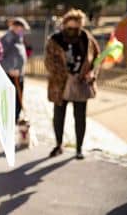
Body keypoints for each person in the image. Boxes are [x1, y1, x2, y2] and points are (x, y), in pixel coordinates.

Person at [44, 9, 100, 160]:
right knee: (58, 117)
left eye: (76, 27)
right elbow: (49, 62)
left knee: (80, 117)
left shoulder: (86, 39)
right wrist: (64, 75)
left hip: (81, 84)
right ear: (64, 24)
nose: (73, 30)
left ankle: (79, 148)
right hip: (60, 85)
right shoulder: (54, 39)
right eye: (70, 27)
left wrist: (91, 73)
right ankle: (58, 144)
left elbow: (96, 58)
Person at [0, 17, 30, 124]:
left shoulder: (19, 38)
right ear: (13, 27)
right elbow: (0, 57)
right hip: (10, 74)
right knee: (10, 98)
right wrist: (9, 69)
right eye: (18, 27)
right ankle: (9, 119)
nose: (20, 30)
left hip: (19, 73)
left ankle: (15, 118)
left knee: (18, 97)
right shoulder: (7, 39)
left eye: (22, 28)